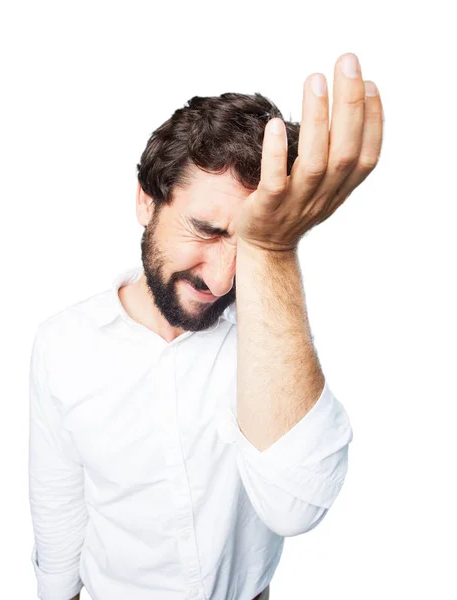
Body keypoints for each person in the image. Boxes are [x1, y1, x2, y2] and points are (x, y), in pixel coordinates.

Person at [28, 52, 383, 600]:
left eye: (247, 245)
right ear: (147, 201)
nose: (221, 279)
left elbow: (296, 506)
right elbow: (59, 503)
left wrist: (275, 247)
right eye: (207, 230)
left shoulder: (270, 338)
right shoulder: (63, 344)